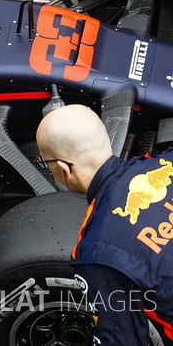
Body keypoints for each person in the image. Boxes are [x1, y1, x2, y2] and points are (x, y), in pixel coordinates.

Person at [36, 104, 173, 345]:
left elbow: (123, 340)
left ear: (63, 169)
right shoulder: (167, 160)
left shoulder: (98, 254)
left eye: (44, 163)